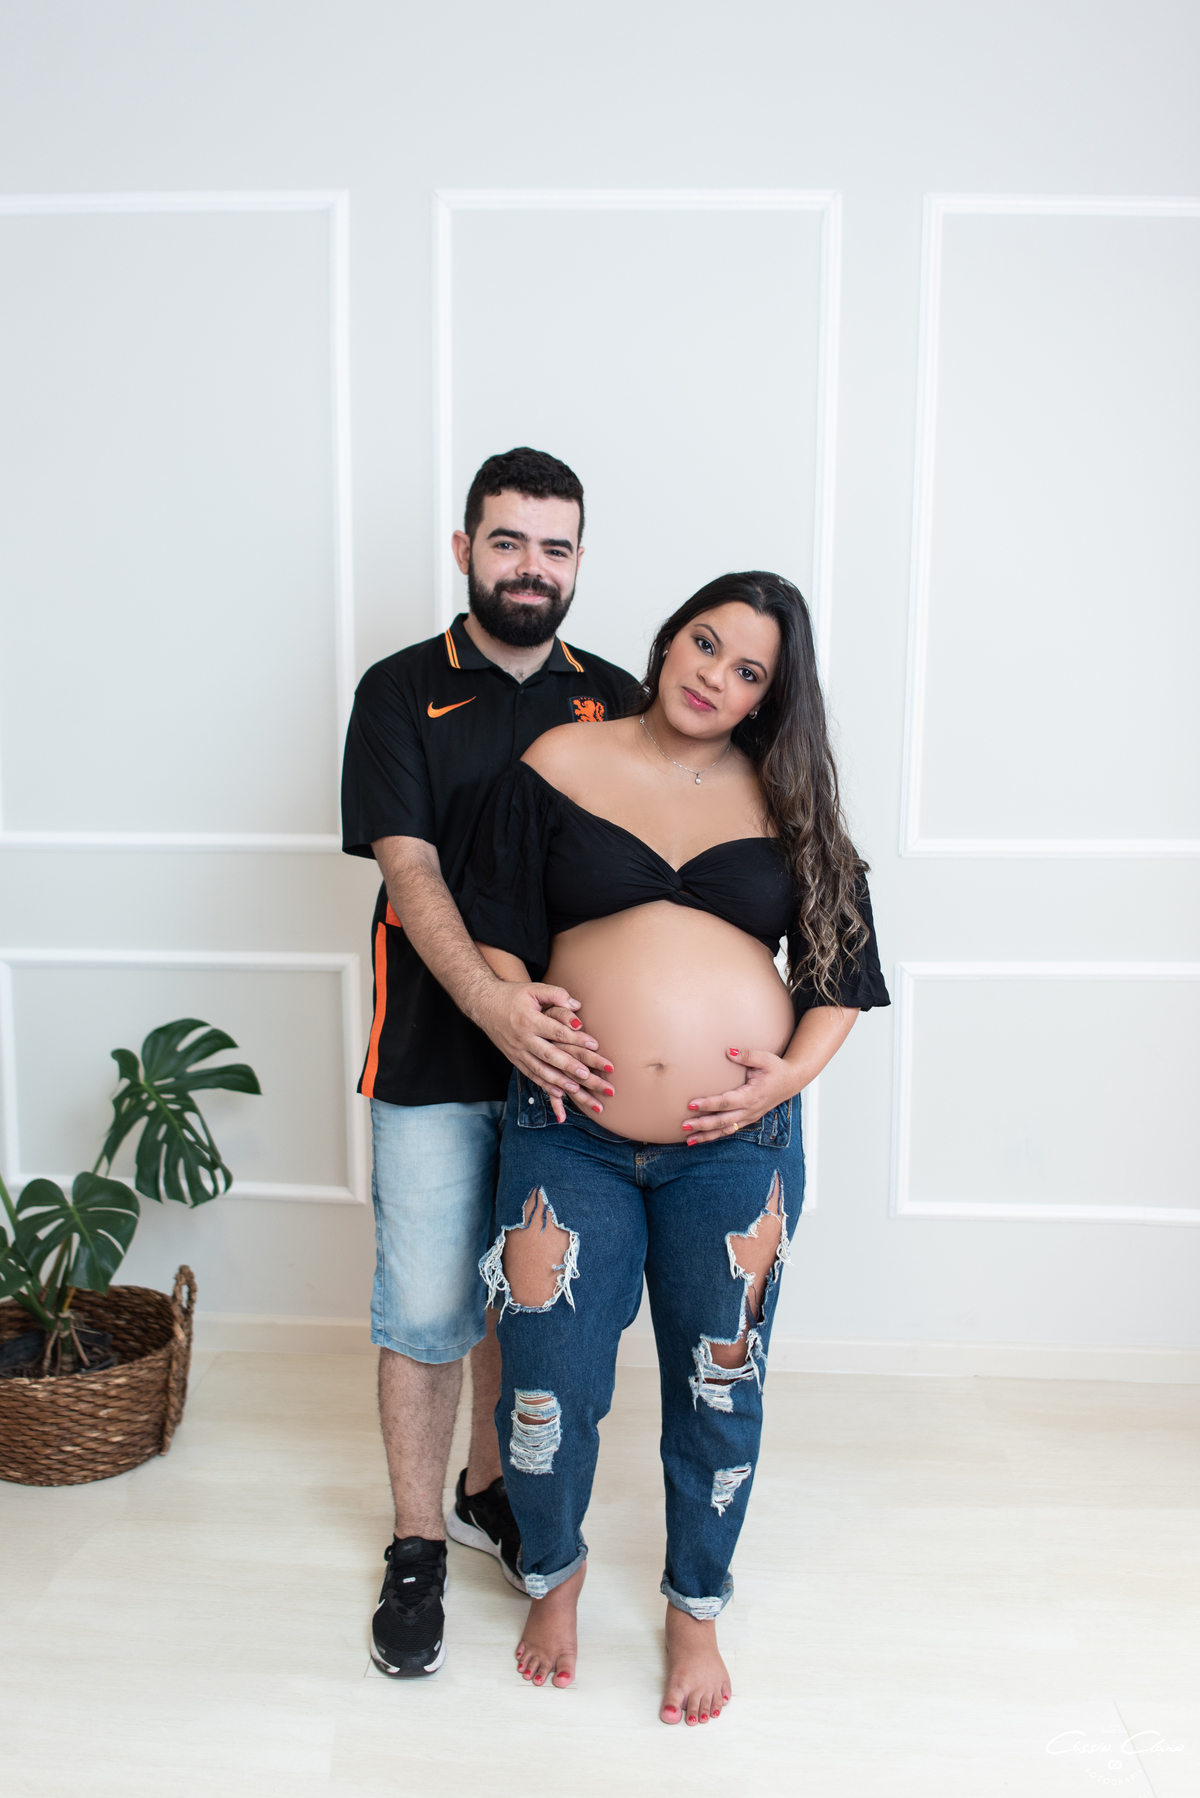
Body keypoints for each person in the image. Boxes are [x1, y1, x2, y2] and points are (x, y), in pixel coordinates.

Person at [460, 571, 890, 1724]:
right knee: (549, 1375)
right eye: (706, 644)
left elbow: (842, 969)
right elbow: (496, 921)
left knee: (719, 1383)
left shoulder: (787, 795)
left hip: (734, 1147)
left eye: (749, 671)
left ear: (766, 697)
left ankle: (694, 1607)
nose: (715, 676)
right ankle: (553, 1576)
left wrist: (788, 1075)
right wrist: (518, 1004)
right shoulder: (561, 759)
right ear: (668, 641)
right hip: (569, 1127)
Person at [340, 446, 636, 1678]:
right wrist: (496, 1006)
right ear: (465, 550)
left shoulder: (619, 697)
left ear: (579, 561)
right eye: (507, 541)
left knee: (525, 1299)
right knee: (424, 1309)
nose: (531, 567)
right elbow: (409, 873)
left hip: (570, 1067)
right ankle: (416, 1542)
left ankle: (487, 1495)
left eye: (554, 546)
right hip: (430, 1053)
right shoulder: (400, 689)